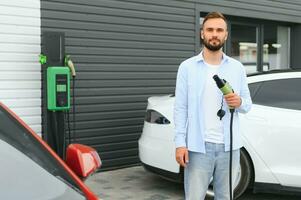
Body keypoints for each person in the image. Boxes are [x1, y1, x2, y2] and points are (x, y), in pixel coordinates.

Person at [174, 12, 252, 200]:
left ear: (225, 35)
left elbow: (247, 105)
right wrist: (180, 144)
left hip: (230, 148)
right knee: (194, 197)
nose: (214, 34)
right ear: (202, 34)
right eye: (210, 30)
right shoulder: (187, 67)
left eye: (219, 30)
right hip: (198, 147)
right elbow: (180, 108)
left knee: (225, 197)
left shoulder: (237, 68)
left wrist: (239, 101)